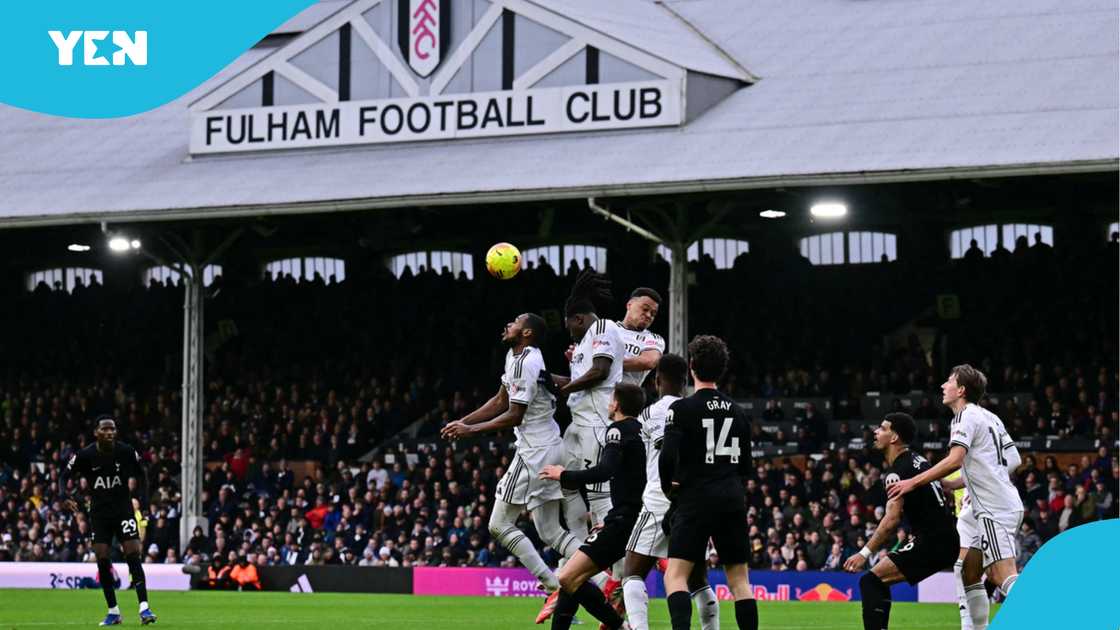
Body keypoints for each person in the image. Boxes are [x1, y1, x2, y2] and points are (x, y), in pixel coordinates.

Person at [442, 313, 583, 593]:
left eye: (516, 322)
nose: (508, 324)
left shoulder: (525, 363)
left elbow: (515, 414)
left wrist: (472, 431)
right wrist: (464, 421)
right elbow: (501, 400)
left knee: (499, 525)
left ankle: (552, 585)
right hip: (551, 445)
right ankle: (604, 577)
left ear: (527, 333)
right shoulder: (518, 356)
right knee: (551, 531)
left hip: (534, 452)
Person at [889, 365, 1024, 630]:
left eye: (949, 381)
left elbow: (954, 459)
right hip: (988, 506)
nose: (943, 386)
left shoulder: (963, 416)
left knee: (1001, 574)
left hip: (994, 508)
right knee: (967, 570)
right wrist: (959, 484)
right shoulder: (990, 417)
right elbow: (1013, 460)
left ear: (961, 390)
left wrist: (912, 482)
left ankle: (1052, 614)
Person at [658, 335, 757, 630]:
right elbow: (746, 468)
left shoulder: (681, 409)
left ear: (691, 367)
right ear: (722, 370)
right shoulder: (739, 412)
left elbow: (666, 458)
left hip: (695, 498)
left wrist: (669, 490)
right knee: (740, 581)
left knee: (675, 575)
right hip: (730, 497)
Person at [538, 383, 648, 630]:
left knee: (567, 577)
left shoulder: (617, 430)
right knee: (572, 578)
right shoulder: (643, 431)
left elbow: (604, 470)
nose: (609, 403)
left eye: (611, 399)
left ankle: (619, 627)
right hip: (636, 518)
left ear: (617, 405)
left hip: (624, 519)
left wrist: (564, 475)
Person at [621, 354, 719, 630]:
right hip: (694, 500)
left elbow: (648, 458)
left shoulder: (649, 414)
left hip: (657, 498)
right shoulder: (697, 410)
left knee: (632, 573)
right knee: (698, 579)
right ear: (686, 380)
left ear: (656, 380)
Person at [843, 413, 959, 630]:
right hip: (945, 536)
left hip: (933, 541)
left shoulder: (897, 472)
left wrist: (864, 553)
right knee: (878, 581)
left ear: (894, 437)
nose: (876, 432)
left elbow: (892, 519)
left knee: (870, 581)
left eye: (882, 428)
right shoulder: (919, 460)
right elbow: (942, 488)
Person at [552, 271, 627, 557]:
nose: (569, 330)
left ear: (579, 318)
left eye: (569, 325)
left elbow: (600, 372)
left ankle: (615, 569)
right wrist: (549, 379)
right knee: (565, 482)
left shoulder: (603, 328)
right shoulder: (581, 345)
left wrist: (566, 388)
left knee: (599, 495)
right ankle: (581, 553)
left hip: (597, 423)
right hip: (577, 424)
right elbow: (578, 383)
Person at [60, 415, 158, 626]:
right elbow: (63, 476)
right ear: (96, 433)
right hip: (99, 514)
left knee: (133, 554)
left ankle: (144, 608)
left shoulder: (126, 451)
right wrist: (63, 496)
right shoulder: (85, 455)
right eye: (105, 429)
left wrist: (146, 502)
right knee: (103, 560)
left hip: (123, 510)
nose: (110, 432)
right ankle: (113, 611)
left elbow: (143, 475)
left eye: (112, 429)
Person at [940, 436, 1021, 630]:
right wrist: (953, 488)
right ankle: (970, 626)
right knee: (964, 569)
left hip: (987, 512)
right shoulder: (968, 466)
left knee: (998, 574)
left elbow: (1011, 463)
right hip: (971, 514)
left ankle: (1044, 608)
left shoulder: (984, 458)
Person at [615, 288, 665, 387]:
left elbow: (649, 361)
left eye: (653, 314)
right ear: (629, 305)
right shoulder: (607, 328)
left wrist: (605, 363)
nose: (648, 315)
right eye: (645, 309)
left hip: (625, 398)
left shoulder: (653, 338)